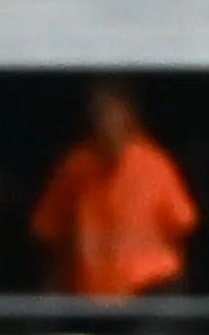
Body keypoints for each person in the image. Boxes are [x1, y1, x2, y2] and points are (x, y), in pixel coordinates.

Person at [28, 83, 198, 299]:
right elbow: (49, 230)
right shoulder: (75, 168)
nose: (109, 124)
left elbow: (183, 226)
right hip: (91, 294)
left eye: (115, 116)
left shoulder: (155, 164)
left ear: (130, 119)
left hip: (149, 290)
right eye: (102, 117)